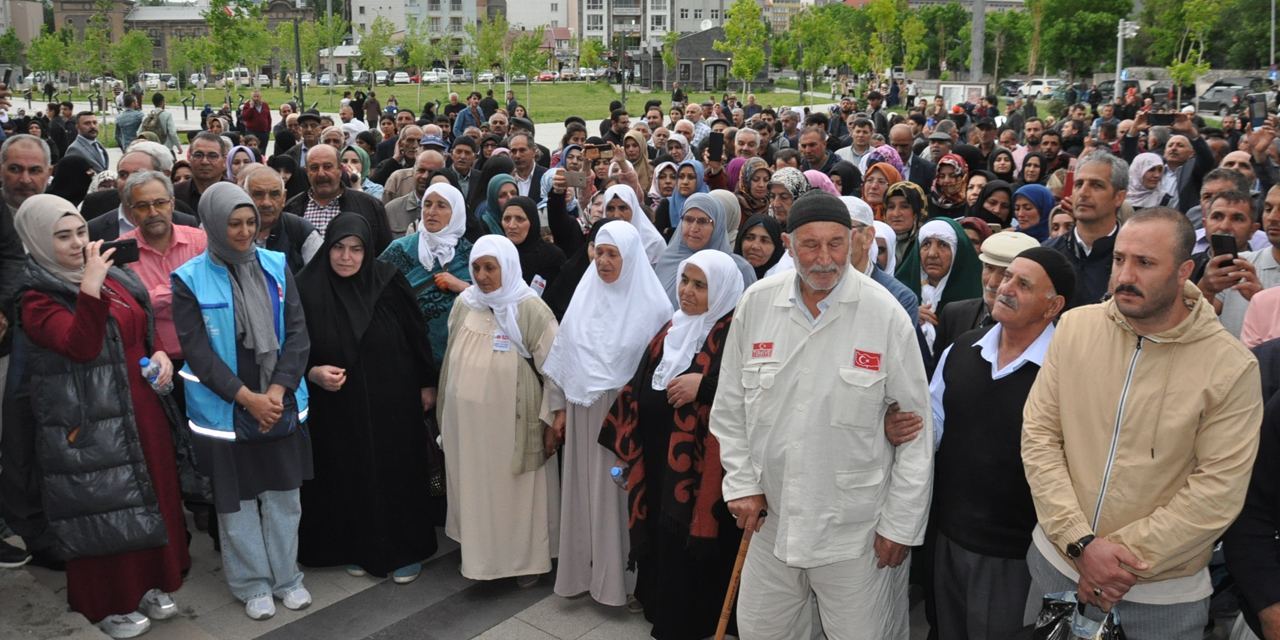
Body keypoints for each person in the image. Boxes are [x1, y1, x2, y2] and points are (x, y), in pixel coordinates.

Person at [1022, 207, 1263, 639]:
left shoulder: (1232, 367)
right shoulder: (1076, 327)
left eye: (1145, 263)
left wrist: (1112, 560)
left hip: (1159, 598)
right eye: (1119, 259)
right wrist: (1080, 542)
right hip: (1056, 568)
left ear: (1184, 270)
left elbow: (1218, 491)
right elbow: (1040, 435)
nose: (1125, 275)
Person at [709, 190, 933, 639]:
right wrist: (743, 485)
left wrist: (900, 526)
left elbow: (916, 435)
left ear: (853, 241)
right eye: (810, 244)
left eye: (836, 243)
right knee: (761, 632)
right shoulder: (757, 304)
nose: (825, 258)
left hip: (853, 533)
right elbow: (730, 407)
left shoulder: (885, 315)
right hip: (771, 520)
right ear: (788, 244)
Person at [5, 194, 193, 637]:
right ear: (35, 240)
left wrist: (160, 356)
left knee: (154, 499)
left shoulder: (114, 276)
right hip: (90, 422)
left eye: (81, 232)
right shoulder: (36, 297)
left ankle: (150, 584)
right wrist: (89, 284)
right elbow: (81, 346)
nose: (77, 243)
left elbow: (137, 332)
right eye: (62, 236)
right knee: (105, 510)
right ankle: (108, 604)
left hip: (141, 407)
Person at [895, 248, 1073, 640]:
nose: (1002, 287)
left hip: (1018, 553)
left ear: (1054, 305)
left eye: (1022, 284)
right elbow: (934, 424)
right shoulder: (962, 348)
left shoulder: (1068, 371)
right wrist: (904, 428)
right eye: (1005, 276)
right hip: (948, 537)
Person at [171, 182, 313, 621]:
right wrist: (248, 398)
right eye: (234, 223)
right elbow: (198, 353)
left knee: (285, 498)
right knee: (238, 504)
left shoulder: (274, 264)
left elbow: (297, 333)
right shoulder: (189, 278)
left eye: (250, 222)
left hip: (278, 401)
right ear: (213, 223)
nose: (244, 231)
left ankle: (288, 577)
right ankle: (252, 583)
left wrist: (276, 391)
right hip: (227, 407)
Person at [599, 250, 746, 639]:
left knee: (692, 555)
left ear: (722, 290)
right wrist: (626, 458)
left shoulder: (735, 332)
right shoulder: (671, 329)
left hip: (704, 475)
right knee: (664, 542)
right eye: (684, 281)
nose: (687, 292)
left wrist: (706, 387)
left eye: (700, 285)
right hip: (658, 458)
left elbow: (752, 390)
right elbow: (636, 390)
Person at [294, 213, 438, 584]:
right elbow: (292, 347)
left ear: (367, 249)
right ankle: (356, 546)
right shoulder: (308, 288)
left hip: (394, 399)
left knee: (398, 469)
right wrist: (312, 372)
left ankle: (406, 549)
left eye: (356, 249)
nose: (346, 257)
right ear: (327, 248)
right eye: (339, 247)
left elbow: (415, 333)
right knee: (348, 470)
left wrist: (426, 383)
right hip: (339, 406)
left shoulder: (387, 279)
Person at [543, 221, 673, 608]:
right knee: (583, 493)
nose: (603, 261)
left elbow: (657, 371)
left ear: (630, 257)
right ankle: (583, 574)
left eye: (612, 254)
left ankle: (624, 582)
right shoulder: (585, 294)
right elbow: (565, 353)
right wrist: (560, 408)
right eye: (599, 252)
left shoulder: (654, 307)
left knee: (618, 500)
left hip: (624, 420)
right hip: (585, 415)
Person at [436, 234, 564, 585]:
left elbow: (555, 369)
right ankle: (481, 556)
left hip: (511, 426)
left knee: (516, 494)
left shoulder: (530, 308)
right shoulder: (465, 302)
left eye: (490, 268)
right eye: (476, 267)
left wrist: (554, 418)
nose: (481, 275)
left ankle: (524, 563)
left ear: (507, 267)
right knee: (477, 490)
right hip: (468, 425)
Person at [379, 183, 473, 367]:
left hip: (457, 360)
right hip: (402, 357)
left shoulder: (471, 256)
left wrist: (463, 287)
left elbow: (491, 299)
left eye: (441, 205)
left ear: (456, 213)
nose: (431, 211)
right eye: (427, 204)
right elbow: (375, 292)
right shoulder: (400, 250)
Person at [931, 231, 1041, 362]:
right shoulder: (954, 315)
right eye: (989, 268)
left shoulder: (1040, 325)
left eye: (1006, 274)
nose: (992, 283)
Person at [1043, 153, 1127, 310]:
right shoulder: (1047, 254)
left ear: (1119, 197)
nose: (1083, 193)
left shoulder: (1134, 259)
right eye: (1078, 184)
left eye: (1097, 185)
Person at [282, 145, 392, 254]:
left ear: (340, 169)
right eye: (314, 168)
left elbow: (384, 254)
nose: (321, 173)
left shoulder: (369, 205)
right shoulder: (291, 208)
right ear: (306, 172)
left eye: (328, 167)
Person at [654, 192, 757, 306]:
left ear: (717, 226)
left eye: (703, 221)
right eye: (688, 219)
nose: (694, 228)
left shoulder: (739, 269)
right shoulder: (667, 260)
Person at [900, 217, 984, 352]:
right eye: (926, 244)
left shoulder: (977, 296)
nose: (932, 254)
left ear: (958, 252)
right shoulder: (898, 292)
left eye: (944, 245)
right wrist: (907, 313)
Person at [241, 166, 322, 274]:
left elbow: (320, 279)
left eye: (274, 194)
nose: (266, 203)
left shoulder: (302, 232)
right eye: (258, 194)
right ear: (245, 196)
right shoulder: (231, 232)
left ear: (284, 197)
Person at [502, 196, 566, 291]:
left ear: (533, 222)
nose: (511, 226)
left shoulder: (551, 256)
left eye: (520, 219)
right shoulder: (498, 254)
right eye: (507, 219)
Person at [928, 154, 969, 218]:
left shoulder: (969, 201)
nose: (946, 180)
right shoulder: (927, 202)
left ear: (962, 176)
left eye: (952, 175)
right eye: (942, 176)